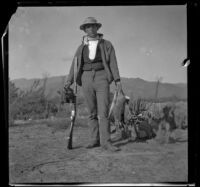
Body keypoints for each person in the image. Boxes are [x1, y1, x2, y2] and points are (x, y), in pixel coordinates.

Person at [64, 17, 123, 152]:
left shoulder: (107, 44)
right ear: (84, 30)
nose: (91, 29)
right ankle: (94, 140)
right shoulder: (81, 48)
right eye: (88, 27)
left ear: (97, 28)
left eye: (93, 26)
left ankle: (106, 142)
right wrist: (69, 81)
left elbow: (113, 63)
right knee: (92, 112)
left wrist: (117, 80)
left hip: (102, 76)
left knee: (104, 112)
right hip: (86, 78)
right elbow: (75, 65)